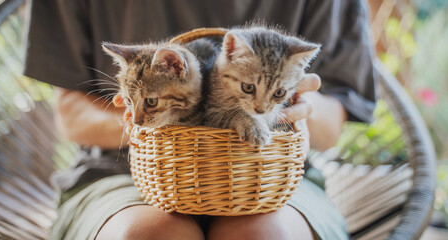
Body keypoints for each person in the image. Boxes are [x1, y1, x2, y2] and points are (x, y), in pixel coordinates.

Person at [24, 0, 376, 239]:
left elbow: (330, 129)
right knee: (151, 234)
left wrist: (289, 103)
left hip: (268, 172)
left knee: (263, 235)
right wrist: (158, 128)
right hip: (121, 169)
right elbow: (70, 115)